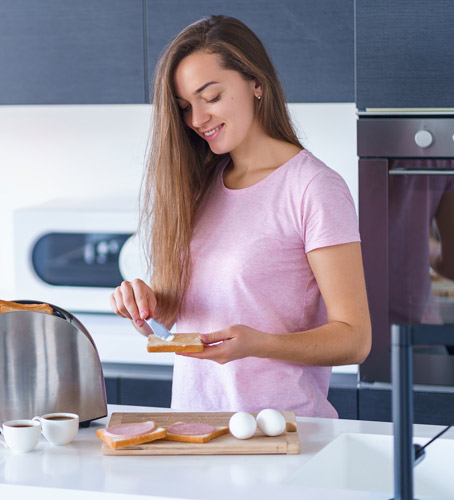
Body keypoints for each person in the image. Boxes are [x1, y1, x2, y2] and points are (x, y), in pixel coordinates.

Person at [110, 16, 371, 418]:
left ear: (256, 83)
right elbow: (178, 311)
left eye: (211, 97)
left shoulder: (312, 188)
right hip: (195, 430)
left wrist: (259, 343)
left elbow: (355, 339)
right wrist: (146, 306)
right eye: (184, 107)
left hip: (282, 432)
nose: (197, 120)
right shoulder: (196, 187)